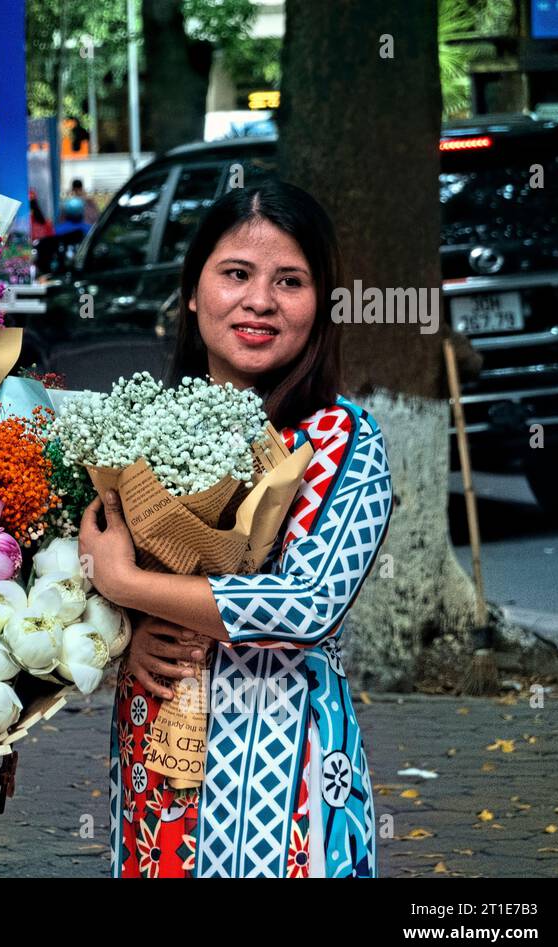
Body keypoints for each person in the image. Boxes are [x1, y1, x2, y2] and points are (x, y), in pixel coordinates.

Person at [79, 180, 393, 878]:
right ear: (192, 292)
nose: (260, 301)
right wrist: (124, 638)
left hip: (280, 778)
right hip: (157, 758)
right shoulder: (136, 433)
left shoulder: (340, 442)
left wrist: (128, 581)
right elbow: (80, 583)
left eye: (290, 280)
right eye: (236, 274)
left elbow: (307, 606)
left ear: (320, 304)